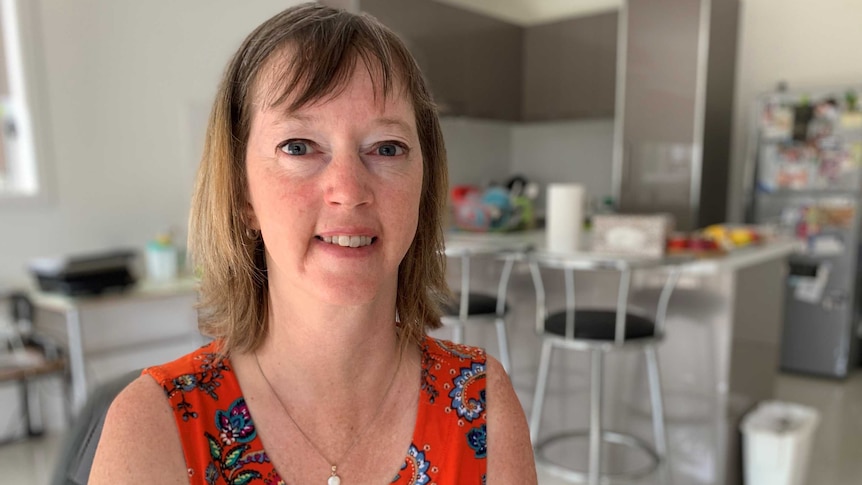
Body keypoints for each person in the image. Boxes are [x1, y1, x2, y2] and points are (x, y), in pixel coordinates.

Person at [89, 3, 536, 484]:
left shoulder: (483, 403)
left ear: (424, 189)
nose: (349, 190)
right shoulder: (152, 425)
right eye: (298, 146)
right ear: (242, 194)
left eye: (387, 148)